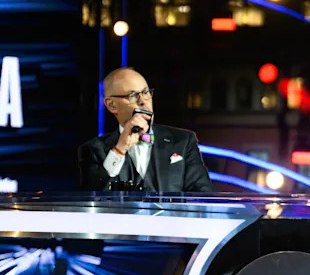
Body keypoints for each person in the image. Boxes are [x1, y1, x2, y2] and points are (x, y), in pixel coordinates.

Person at [78, 67, 212, 192]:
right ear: (111, 105)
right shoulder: (94, 150)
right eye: (133, 95)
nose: (143, 101)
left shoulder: (183, 141)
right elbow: (92, 196)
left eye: (146, 92)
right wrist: (119, 150)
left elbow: (202, 196)